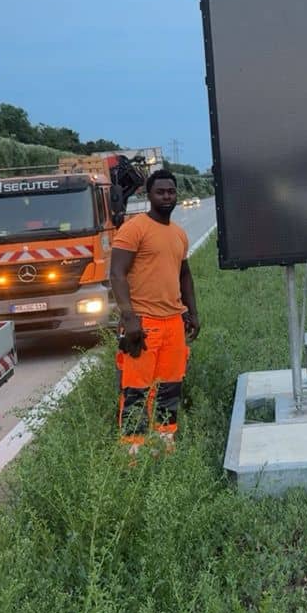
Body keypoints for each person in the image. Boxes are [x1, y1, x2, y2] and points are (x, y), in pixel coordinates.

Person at [111, 169, 200, 454]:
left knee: (170, 386)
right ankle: (132, 452)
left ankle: (163, 445)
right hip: (143, 323)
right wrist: (130, 319)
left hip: (173, 322)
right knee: (136, 389)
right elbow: (117, 274)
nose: (166, 196)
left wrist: (192, 313)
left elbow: (184, 275)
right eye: (160, 192)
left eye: (171, 191)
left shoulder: (178, 234)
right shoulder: (135, 228)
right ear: (148, 195)